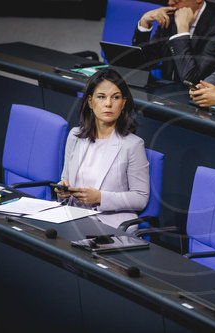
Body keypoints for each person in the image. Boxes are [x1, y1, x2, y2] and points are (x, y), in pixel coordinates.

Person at [55, 68, 150, 230]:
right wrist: (62, 190)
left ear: (123, 103)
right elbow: (66, 178)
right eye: (101, 97)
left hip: (109, 222)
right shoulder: (75, 136)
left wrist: (100, 198)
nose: (108, 103)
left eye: (115, 97)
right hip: (72, 215)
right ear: (90, 102)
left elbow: (140, 198)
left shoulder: (133, 145)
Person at [132, 0, 215, 84]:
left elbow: (191, 79)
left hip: (197, 95)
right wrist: (144, 23)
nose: (170, 3)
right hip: (167, 91)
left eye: (177, 0)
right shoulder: (171, 17)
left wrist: (182, 30)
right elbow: (145, 63)